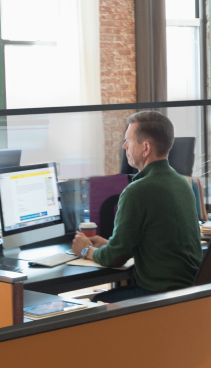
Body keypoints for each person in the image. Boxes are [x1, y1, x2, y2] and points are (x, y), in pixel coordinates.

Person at [71, 111, 203, 303]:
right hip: (189, 293)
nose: (124, 146)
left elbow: (115, 259)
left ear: (145, 148)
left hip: (160, 297)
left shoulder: (137, 191)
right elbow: (155, 245)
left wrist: (85, 250)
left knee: (95, 304)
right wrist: (108, 243)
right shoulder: (182, 183)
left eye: (128, 140)